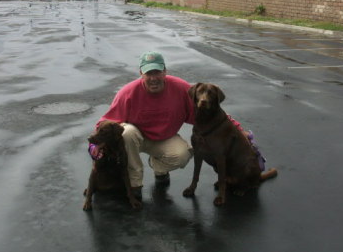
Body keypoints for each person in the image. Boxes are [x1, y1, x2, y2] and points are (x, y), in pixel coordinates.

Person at [88, 51, 257, 200]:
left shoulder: (181, 89)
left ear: (165, 71)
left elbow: (208, 114)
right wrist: (95, 143)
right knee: (126, 132)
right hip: (136, 138)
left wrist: (238, 130)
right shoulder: (128, 93)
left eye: (158, 72)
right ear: (141, 73)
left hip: (164, 139)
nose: (154, 78)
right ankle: (135, 184)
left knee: (183, 154)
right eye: (149, 73)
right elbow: (106, 120)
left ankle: (159, 168)